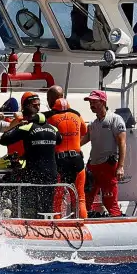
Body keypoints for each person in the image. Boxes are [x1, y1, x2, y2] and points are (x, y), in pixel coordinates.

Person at [0, 92, 62, 219]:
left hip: (35, 173)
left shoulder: (27, 127)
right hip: (52, 173)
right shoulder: (53, 128)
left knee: (29, 204)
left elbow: (3, 139)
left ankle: (28, 222)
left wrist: (18, 125)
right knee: (46, 206)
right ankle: (47, 226)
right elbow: (58, 141)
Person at [44, 86, 88, 218]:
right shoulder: (77, 114)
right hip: (77, 160)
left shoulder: (48, 117)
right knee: (80, 197)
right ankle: (83, 224)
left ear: (51, 99)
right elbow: (84, 131)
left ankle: (57, 225)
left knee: (57, 198)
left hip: (59, 162)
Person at [83, 90, 127, 217]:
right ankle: (89, 222)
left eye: (94, 101)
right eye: (90, 102)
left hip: (108, 166)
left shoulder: (115, 119)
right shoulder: (92, 124)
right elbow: (82, 140)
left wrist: (121, 166)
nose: (91, 104)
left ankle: (117, 224)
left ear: (103, 102)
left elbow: (122, 143)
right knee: (87, 198)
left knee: (109, 201)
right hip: (93, 166)